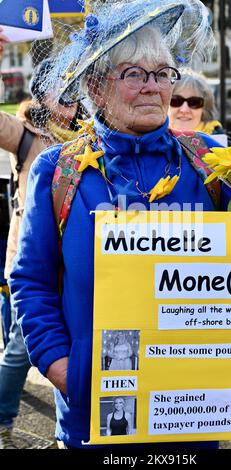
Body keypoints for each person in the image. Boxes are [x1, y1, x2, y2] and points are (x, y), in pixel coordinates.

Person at [9, 0, 231, 450]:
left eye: (162, 74)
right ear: (95, 86)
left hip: (190, 407)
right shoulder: (60, 171)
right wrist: (60, 366)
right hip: (95, 410)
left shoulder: (212, 162)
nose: (154, 88)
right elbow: (31, 281)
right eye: (134, 73)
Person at [0, 48, 87, 448]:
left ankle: (65, 428)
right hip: (30, 264)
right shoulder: (27, 136)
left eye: (75, 90)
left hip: (72, 270)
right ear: (43, 95)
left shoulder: (90, 138)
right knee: (22, 348)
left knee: (58, 345)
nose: (69, 101)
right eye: (61, 91)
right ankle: (3, 419)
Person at [168, 69, 227, 137]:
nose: (184, 110)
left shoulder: (222, 142)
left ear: (205, 108)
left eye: (194, 102)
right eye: (176, 101)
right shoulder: (154, 139)